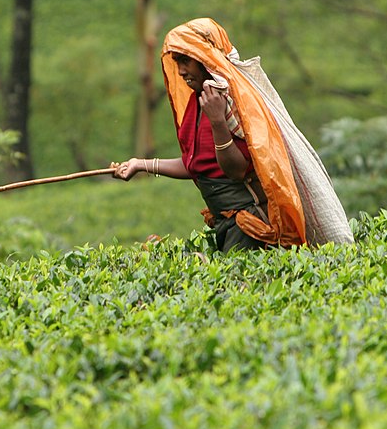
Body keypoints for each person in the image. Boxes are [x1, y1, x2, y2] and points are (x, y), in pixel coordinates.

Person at [112, 17, 307, 252]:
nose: (182, 71)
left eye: (186, 61)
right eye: (177, 63)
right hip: (224, 222)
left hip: (250, 226)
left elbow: (235, 171)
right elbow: (197, 165)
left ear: (206, 59)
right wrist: (139, 164)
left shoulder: (234, 103)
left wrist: (217, 121)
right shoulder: (198, 101)